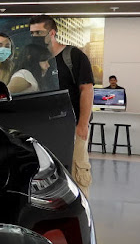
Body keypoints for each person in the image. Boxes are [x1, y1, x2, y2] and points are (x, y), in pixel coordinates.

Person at [29, 15, 94, 198]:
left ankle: (81, 211)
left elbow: (87, 89)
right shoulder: (36, 61)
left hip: (72, 128)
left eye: (39, 33)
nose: (35, 37)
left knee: (77, 173)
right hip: (47, 129)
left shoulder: (73, 56)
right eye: (32, 33)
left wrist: (82, 125)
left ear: (52, 33)